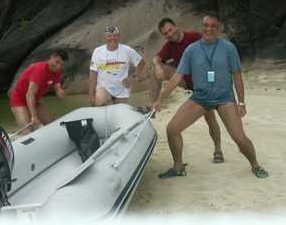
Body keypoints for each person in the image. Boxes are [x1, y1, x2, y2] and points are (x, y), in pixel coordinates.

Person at [152, 13, 269, 179]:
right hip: (200, 98)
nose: (209, 29)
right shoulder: (191, 50)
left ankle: (255, 165)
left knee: (239, 138)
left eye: (213, 26)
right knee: (172, 129)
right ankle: (178, 167)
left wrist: (241, 102)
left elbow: (236, 75)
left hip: (225, 99)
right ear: (202, 27)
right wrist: (160, 99)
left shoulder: (228, 48)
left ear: (218, 28)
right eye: (206, 25)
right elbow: (177, 77)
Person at [149, 18, 224, 163]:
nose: (169, 34)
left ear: (177, 27)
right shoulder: (170, 46)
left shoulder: (194, 37)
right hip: (186, 82)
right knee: (155, 69)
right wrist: (157, 65)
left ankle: (218, 149)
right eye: (165, 33)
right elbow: (156, 57)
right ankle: (151, 106)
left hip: (205, 84)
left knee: (210, 118)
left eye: (170, 30)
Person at [9, 49, 68, 134]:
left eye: (62, 65)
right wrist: (34, 116)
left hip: (35, 100)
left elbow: (57, 87)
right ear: (51, 57)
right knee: (28, 132)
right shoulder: (39, 70)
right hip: (19, 100)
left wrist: (60, 91)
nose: (58, 67)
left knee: (51, 124)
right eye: (57, 62)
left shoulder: (56, 72)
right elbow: (29, 94)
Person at [89, 26, 145, 106]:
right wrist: (91, 95)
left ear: (119, 36)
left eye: (115, 35)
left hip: (122, 90)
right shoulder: (97, 51)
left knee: (120, 111)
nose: (112, 38)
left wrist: (132, 78)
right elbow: (93, 73)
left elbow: (141, 63)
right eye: (109, 36)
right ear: (105, 37)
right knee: (100, 99)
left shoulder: (127, 50)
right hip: (103, 88)